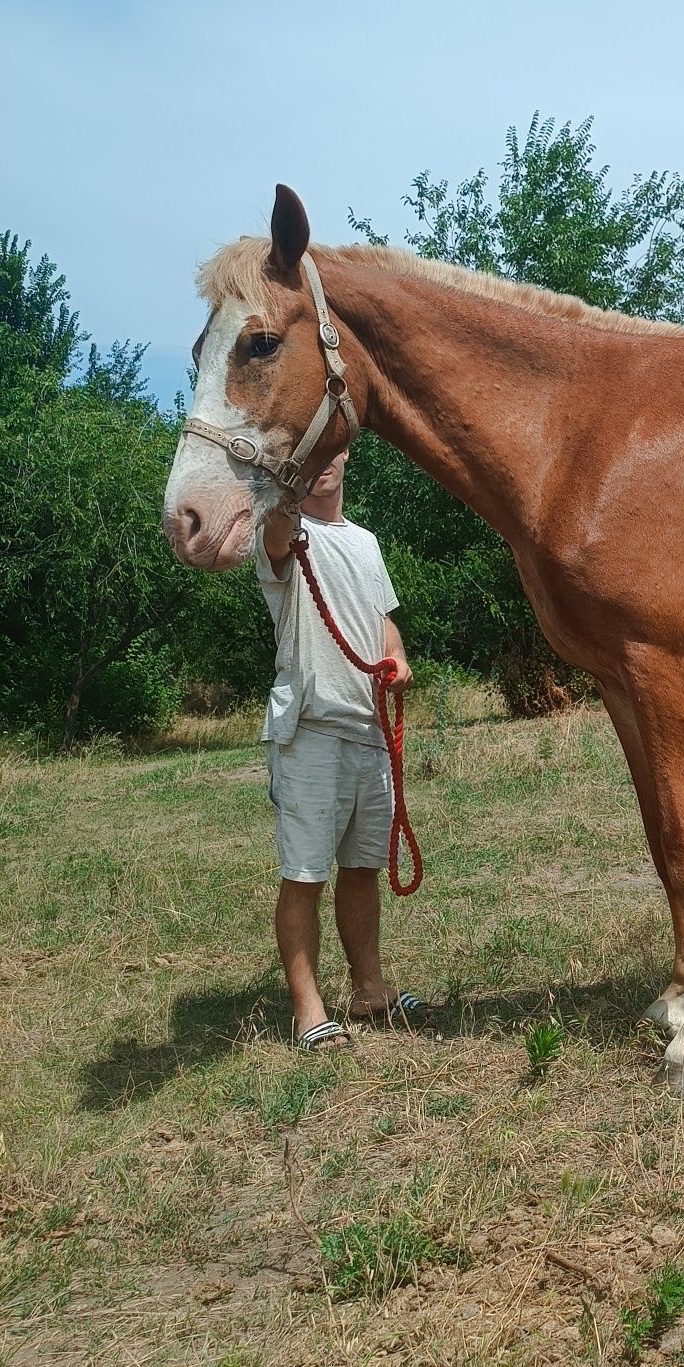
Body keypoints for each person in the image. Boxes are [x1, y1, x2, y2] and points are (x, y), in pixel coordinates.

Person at [257, 449, 418, 1050]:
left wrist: (397, 659)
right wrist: (285, 488)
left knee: (362, 871)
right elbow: (275, 535)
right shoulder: (286, 532)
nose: (321, 464)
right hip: (311, 729)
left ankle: (370, 991)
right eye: (310, 456)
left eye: (330, 453)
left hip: (367, 732)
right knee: (304, 874)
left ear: (346, 454)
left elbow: (384, 625)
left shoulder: (367, 543)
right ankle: (308, 1012)